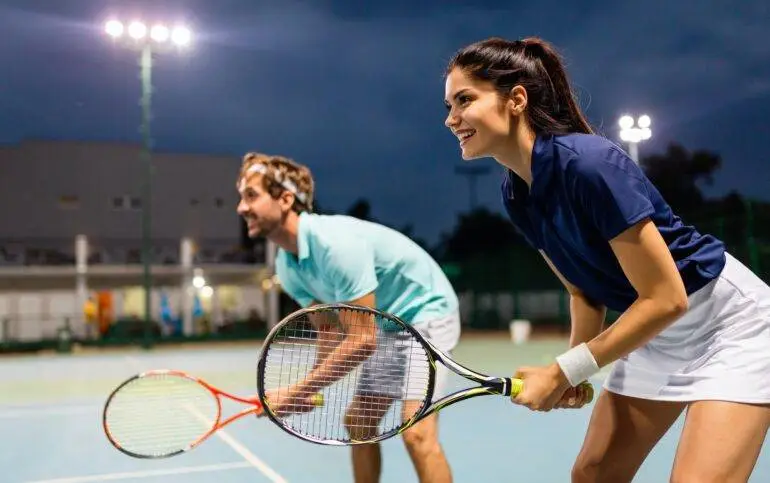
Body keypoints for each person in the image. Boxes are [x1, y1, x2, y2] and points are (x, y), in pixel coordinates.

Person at [443, 36, 770, 482]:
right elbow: (582, 290)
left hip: (731, 328)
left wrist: (564, 370)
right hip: (657, 334)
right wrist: (575, 371)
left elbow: (666, 298)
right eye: (449, 105)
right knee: (594, 474)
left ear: (516, 99)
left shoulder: (590, 164)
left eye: (465, 99)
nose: (451, 118)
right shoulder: (516, 192)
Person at [235, 152, 462, 483]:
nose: (241, 207)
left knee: (417, 433)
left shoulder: (335, 247)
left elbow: (361, 341)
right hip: (388, 322)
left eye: (251, 196)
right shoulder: (288, 265)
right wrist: (310, 392)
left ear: (285, 199)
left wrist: (296, 390)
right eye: (241, 197)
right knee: (359, 424)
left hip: (427, 312)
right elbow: (328, 330)